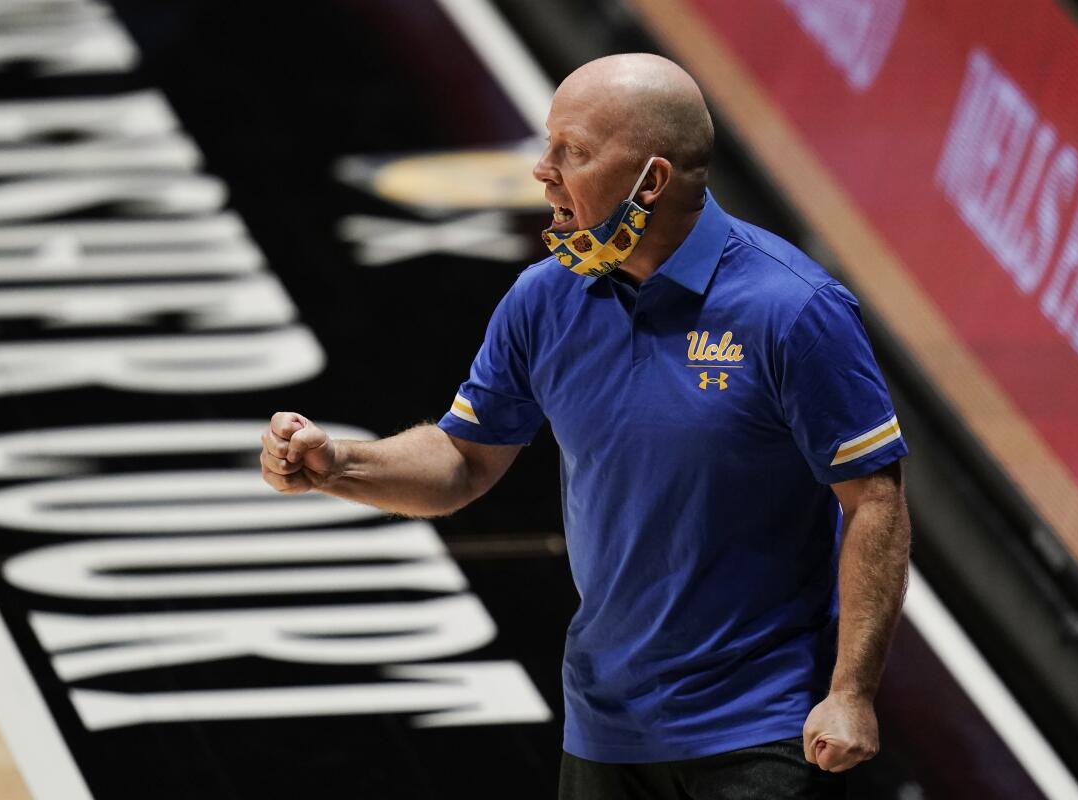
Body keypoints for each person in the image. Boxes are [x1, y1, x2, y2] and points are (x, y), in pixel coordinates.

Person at [260, 53, 910, 800]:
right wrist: (339, 463)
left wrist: (851, 690)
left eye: (573, 151)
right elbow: (463, 462)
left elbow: (874, 499)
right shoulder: (544, 300)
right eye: (547, 144)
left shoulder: (793, 310)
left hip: (761, 729)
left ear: (653, 181)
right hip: (605, 725)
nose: (542, 170)